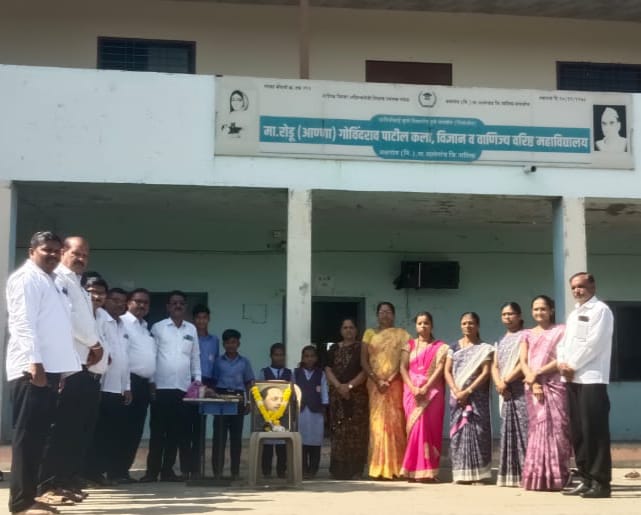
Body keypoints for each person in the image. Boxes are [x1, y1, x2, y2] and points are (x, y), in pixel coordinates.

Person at [6, 231, 81, 515]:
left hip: (49, 370)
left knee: (38, 438)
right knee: (27, 438)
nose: (52, 254)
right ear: (31, 251)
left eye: (56, 250)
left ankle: (31, 497)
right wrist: (34, 363)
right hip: (31, 370)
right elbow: (22, 323)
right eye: (46, 249)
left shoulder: (51, 281)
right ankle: (20, 503)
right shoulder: (26, 279)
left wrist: (59, 370)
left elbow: (56, 329)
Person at [37, 237, 104, 503]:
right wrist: (94, 344)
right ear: (64, 252)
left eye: (85, 254)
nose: (81, 258)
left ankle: (63, 481)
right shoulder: (59, 280)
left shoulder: (77, 283)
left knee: (72, 431)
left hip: (80, 367)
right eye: (76, 253)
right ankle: (46, 485)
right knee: (58, 431)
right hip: (66, 368)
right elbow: (71, 320)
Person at [557, 273, 614, 498]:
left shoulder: (600, 310)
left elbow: (594, 343)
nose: (577, 291)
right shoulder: (574, 314)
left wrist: (572, 364)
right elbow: (564, 343)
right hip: (572, 379)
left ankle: (600, 483)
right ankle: (585, 478)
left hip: (591, 378)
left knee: (594, 431)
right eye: (573, 287)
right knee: (578, 431)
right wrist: (562, 362)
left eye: (581, 286)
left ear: (593, 286)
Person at [141, 291, 201, 482]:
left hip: (183, 388)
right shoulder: (158, 327)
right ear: (168, 306)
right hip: (161, 387)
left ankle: (167, 471)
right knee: (158, 431)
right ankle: (152, 472)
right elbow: (151, 355)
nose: (178, 306)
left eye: (181, 303)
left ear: (185, 307)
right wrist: (151, 381)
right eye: (174, 303)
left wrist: (197, 381)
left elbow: (195, 357)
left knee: (176, 432)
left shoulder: (191, 329)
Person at [520, 295, 571, 491]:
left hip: (555, 385)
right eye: (535, 309)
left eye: (543, 308)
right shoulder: (526, 334)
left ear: (551, 310)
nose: (539, 312)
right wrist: (532, 381)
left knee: (558, 430)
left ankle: (558, 477)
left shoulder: (561, 331)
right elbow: (523, 361)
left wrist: (538, 373)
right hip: (532, 386)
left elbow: (563, 357)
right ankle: (537, 477)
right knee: (537, 429)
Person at [86, 288, 132, 484]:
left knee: (110, 433)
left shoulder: (122, 325)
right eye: (114, 300)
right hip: (102, 385)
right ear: (106, 301)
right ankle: (91, 473)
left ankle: (103, 472)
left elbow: (125, 358)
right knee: (98, 433)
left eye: (122, 301)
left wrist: (127, 386)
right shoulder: (101, 319)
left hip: (117, 388)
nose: (119, 304)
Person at [361, 302, 409, 479]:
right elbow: (364, 361)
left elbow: (404, 361)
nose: (385, 315)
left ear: (394, 315)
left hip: (395, 385)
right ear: (377, 315)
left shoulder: (402, 335)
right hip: (375, 386)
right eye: (382, 312)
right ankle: (378, 468)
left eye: (388, 312)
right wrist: (377, 380)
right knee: (377, 425)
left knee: (396, 424)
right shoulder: (369, 334)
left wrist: (389, 379)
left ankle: (396, 467)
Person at [444, 312, 493, 484]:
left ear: (477, 325)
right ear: (460, 326)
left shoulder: (484, 348)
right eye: (464, 323)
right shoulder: (453, 348)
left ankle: (479, 475)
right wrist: (456, 390)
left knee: (478, 433)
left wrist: (468, 391)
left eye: (471, 323)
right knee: (459, 433)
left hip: (477, 397)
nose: (467, 326)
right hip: (457, 397)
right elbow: (447, 371)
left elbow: (486, 372)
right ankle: (460, 474)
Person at [399, 312, 447, 482]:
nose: (423, 326)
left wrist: (426, 387)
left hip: (432, 393)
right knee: (415, 429)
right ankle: (412, 470)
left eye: (426, 323)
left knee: (431, 429)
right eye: (419, 323)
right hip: (412, 392)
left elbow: (440, 369)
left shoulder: (440, 347)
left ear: (431, 325)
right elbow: (403, 368)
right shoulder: (409, 345)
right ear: (416, 326)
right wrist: (413, 387)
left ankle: (429, 471)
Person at [325, 318, 368, 480]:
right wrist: (339, 386)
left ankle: (356, 470)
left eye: (351, 327)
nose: (348, 330)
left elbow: (365, 370)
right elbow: (327, 369)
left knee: (356, 433)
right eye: (345, 328)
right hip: (337, 397)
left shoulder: (362, 348)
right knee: (339, 432)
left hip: (357, 397)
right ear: (341, 331)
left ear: (356, 330)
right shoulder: (334, 348)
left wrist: (349, 386)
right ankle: (338, 470)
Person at [120, 288, 156, 482]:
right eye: (138, 301)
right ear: (129, 303)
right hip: (128, 383)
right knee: (122, 429)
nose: (142, 305)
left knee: (135, 430)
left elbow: (148, 357)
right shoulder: (122, 323)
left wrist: (151, 382)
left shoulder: (145, 327)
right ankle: (114, 470)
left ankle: (123, 470)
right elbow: (123, 356)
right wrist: (126, 385)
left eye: (145, 302)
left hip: (143, 385)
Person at [492, 302, 528, 487]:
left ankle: (528, 474)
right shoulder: (500, 340)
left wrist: (506, 380)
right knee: (508, 431)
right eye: (504, 314)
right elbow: (495, 365)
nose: (507, 317)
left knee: (524, 431)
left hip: (521, 390)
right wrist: (499, 383)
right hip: (505, 392)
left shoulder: (525, 336)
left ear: (519, 316)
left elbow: (523, 363)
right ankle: (512, 475)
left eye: (511, 314)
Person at [211, 329, 255, 480]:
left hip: (238, 399)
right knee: (219, 438)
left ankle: (235, 472)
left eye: (234, 342)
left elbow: (249, 383)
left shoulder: (244, 362)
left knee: (236, 438)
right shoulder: (218, 362)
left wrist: (249, 401)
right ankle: (217, 472)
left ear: (238, 344)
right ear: (224, 344)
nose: (231, 345)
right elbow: (213, 382)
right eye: (228, 342)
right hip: (221, 400)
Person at [294, 345, 329, 479]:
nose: (309, 359)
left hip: (316, 412)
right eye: (306, 356)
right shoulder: (296, 373)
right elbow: (292, 392)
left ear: (316, 358)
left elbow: (324, 392)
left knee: (315, 441)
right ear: (302, 358)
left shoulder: (321, 374)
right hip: (301, 411)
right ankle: (303, 469)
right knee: (301, 440)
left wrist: (324, 409)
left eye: (312, 356)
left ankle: (313, 469)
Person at [259, 342, 293, 478]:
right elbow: (259, 392)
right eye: (276, 355)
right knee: (267, 443)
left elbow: (292, 392)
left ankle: (281, 471)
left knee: (282, 444)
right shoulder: (264, 372)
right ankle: (266, 471)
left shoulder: (289, 373)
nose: (279, 358)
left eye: (281, 355)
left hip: (283, 414)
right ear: (271, 356)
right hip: (267, 414)